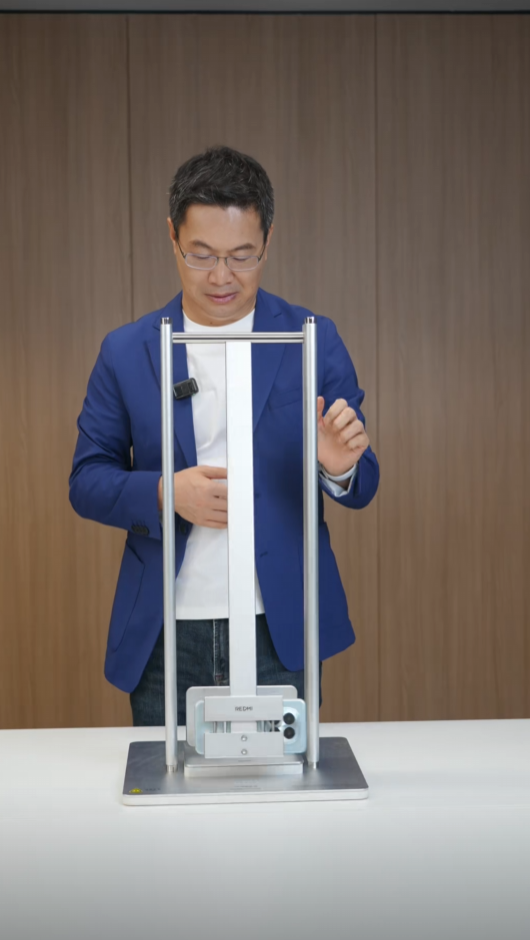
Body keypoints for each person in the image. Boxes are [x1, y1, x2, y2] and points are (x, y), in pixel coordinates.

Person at [69, 146, 379, 727]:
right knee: (166, 782)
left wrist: (336, 466)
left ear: (268, 241)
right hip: (166, 627)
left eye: (241, 257)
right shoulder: (127, 350)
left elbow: (363, 483)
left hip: (277, 623)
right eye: (201, 254)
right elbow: (86, 481)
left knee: (280, 783)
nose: (220, 277)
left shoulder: (311, 338)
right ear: (172, 236)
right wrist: (166, 492)